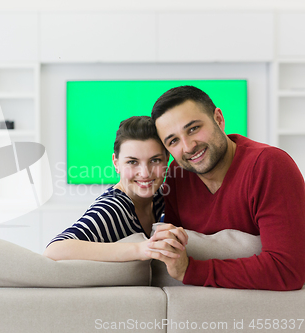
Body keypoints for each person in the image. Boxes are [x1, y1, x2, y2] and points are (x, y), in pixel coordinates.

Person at [148, 85, 305, 291]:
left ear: (218, 120)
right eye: (174, 140)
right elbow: (174, 252)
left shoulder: (269, 165)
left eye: (194, 128)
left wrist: (191, 271)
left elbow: (288, 270)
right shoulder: (178, 174)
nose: (188, 147)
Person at [43, 116, 187, 262]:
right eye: (132, 162)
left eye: (155, 160)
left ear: (167, 159)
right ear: (116, 163)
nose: (145, 173)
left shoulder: (160, 196)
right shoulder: (113, 208)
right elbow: (54, 250)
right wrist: (141, 248)